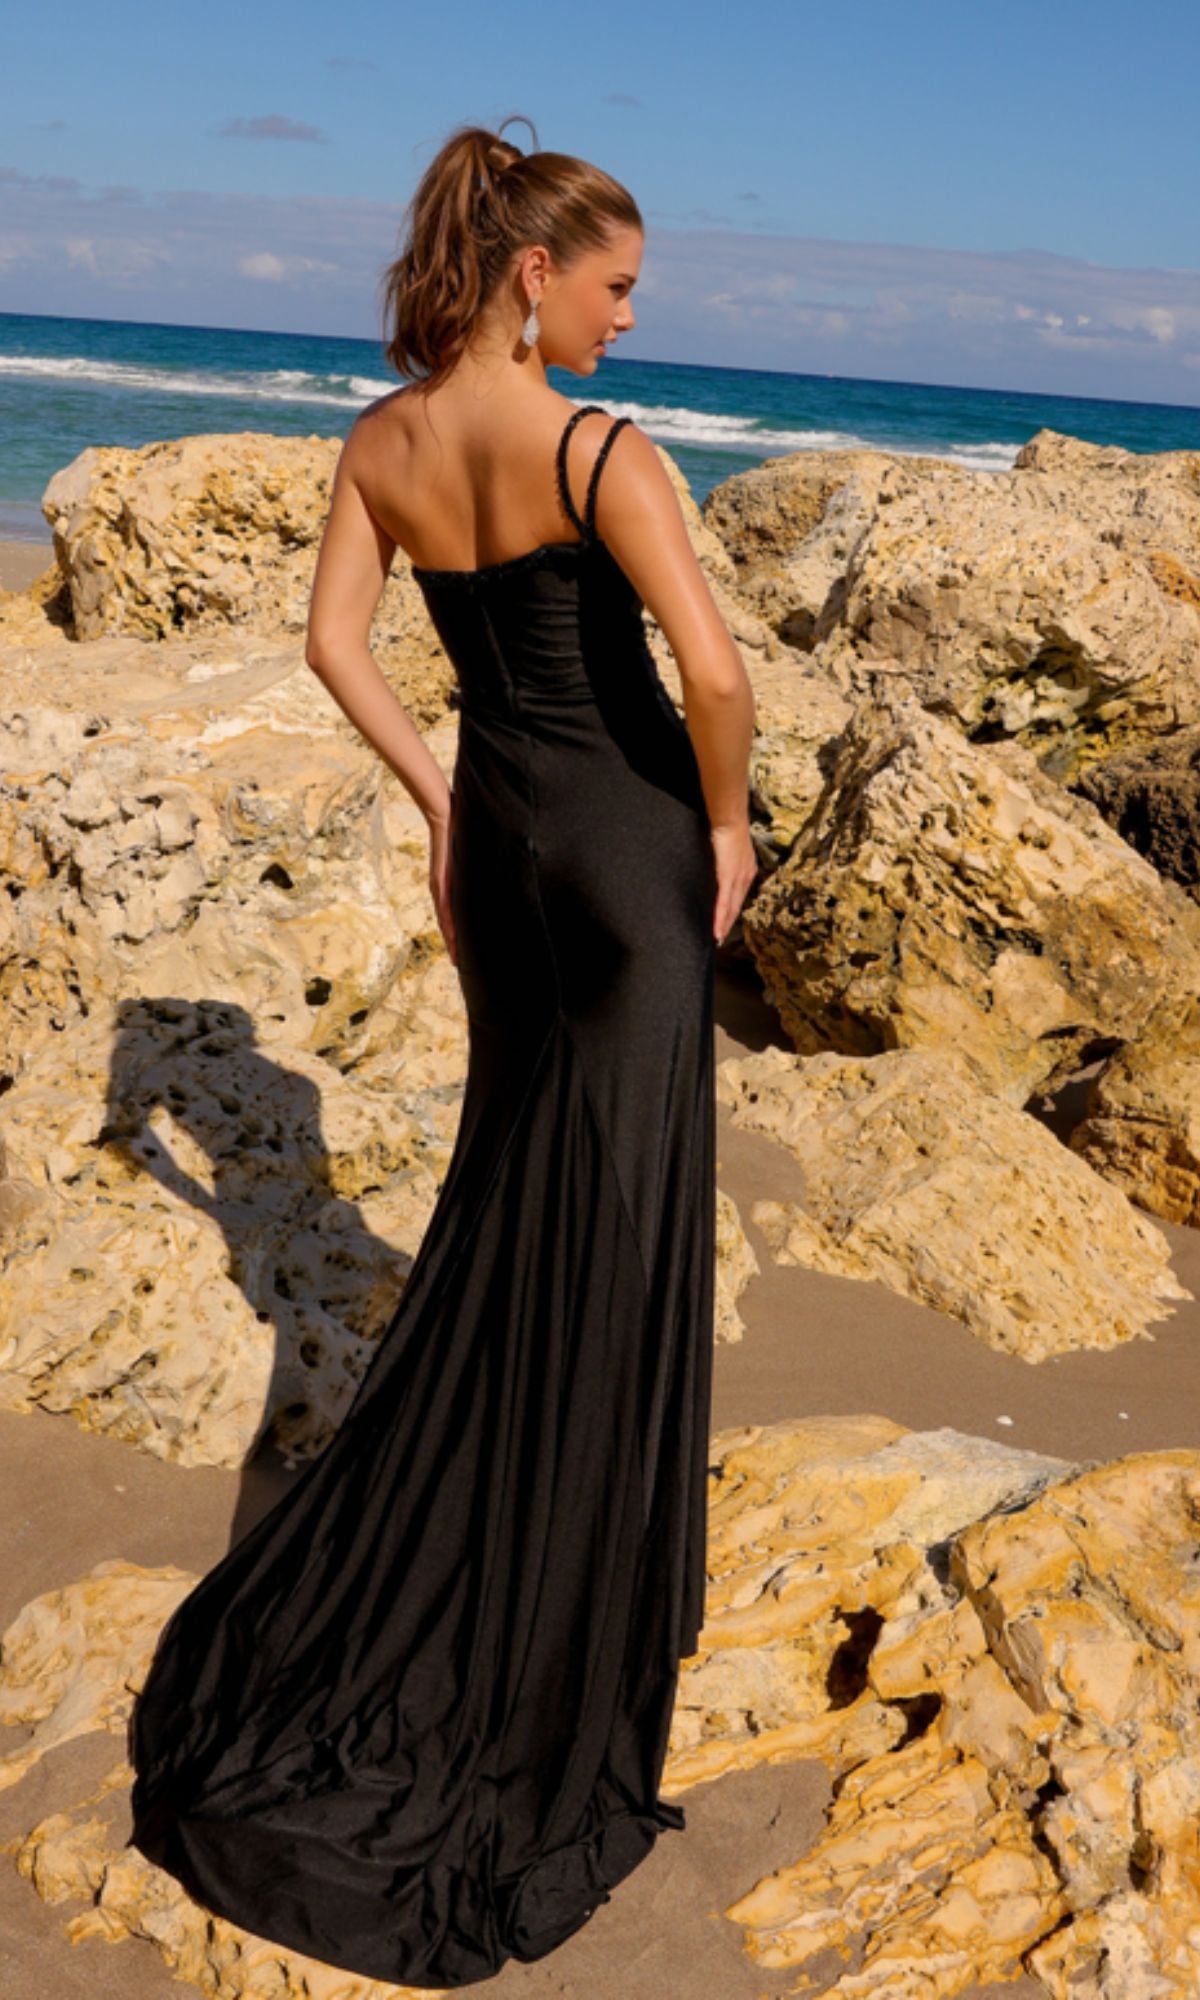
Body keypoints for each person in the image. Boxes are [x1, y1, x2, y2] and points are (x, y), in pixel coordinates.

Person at [126, 115, 758, 1988]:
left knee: (513, 1198)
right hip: (634, 854)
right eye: (619, 286)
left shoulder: (384, 440)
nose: (634, 322)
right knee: (619, 1219)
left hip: (503, 839)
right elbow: (710, 676)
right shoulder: (593, 446)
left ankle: (467, 1532)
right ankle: (559, 1607)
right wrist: (724, 829)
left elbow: (338, 644)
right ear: (531, 273)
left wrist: (440, 800)